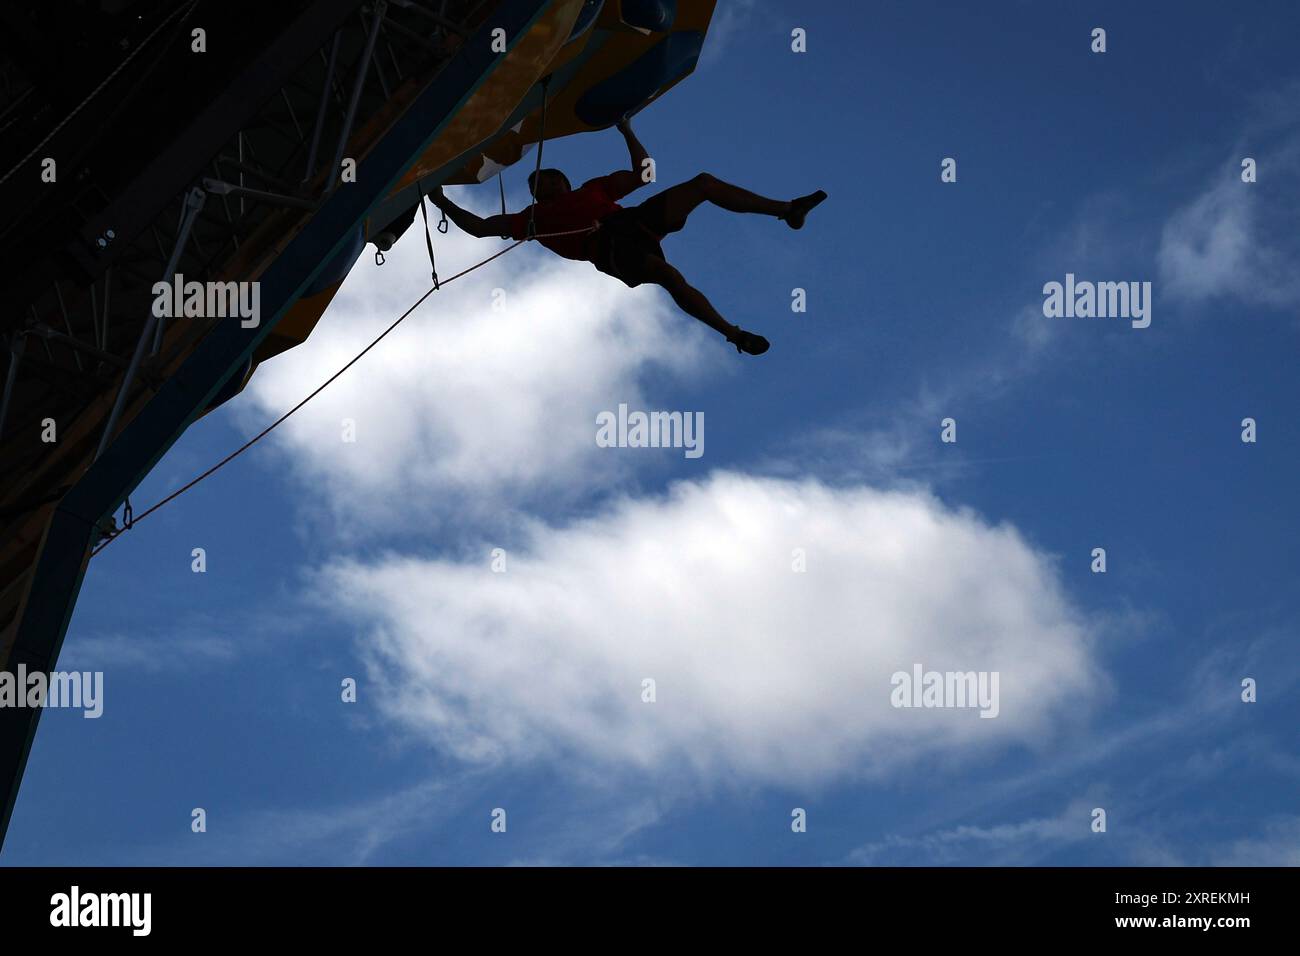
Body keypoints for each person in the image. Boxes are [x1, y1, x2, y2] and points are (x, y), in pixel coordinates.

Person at [429, 118, 825, 356]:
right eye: (534, 184)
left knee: (703, 183)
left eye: (543, 179)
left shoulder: (592, 190)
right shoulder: (531, 219)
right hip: (608, 247)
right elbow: (481, 228)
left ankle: (786, 210)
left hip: (632, 224)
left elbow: (644, 173)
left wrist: (626, 129)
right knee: (670, 278)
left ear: (562, 181)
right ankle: (733, 333)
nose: (536, 184)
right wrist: (440, 200)